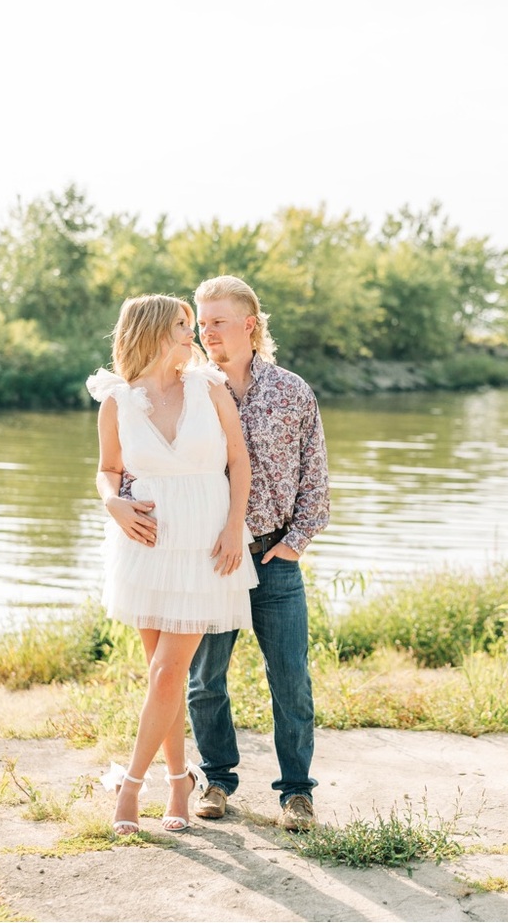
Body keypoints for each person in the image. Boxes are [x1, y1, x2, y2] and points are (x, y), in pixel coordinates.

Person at [85, 294, 257, 836]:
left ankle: (131, 789)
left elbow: (238, 458)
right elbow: (108, 469)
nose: (194, 335)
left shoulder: (208, 387)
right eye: (185, 326)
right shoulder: (117, 400)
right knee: (165, 677)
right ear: (157, 332)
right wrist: (111, 501)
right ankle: (179, 779)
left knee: (168, 671)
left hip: (205, 542)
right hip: (146, 544)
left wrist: (234, 528)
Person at [187, 274, 330, 831]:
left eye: (216, 321)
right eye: (200, 324)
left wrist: (294, 545)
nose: (206, 333)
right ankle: (216, 779)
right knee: (206, 679)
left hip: (274, 559)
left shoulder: (293, 391)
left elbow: (314, 479)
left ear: (249, 324)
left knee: (291, 677)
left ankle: (297, 792)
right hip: (211, 558)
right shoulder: (189, 390)